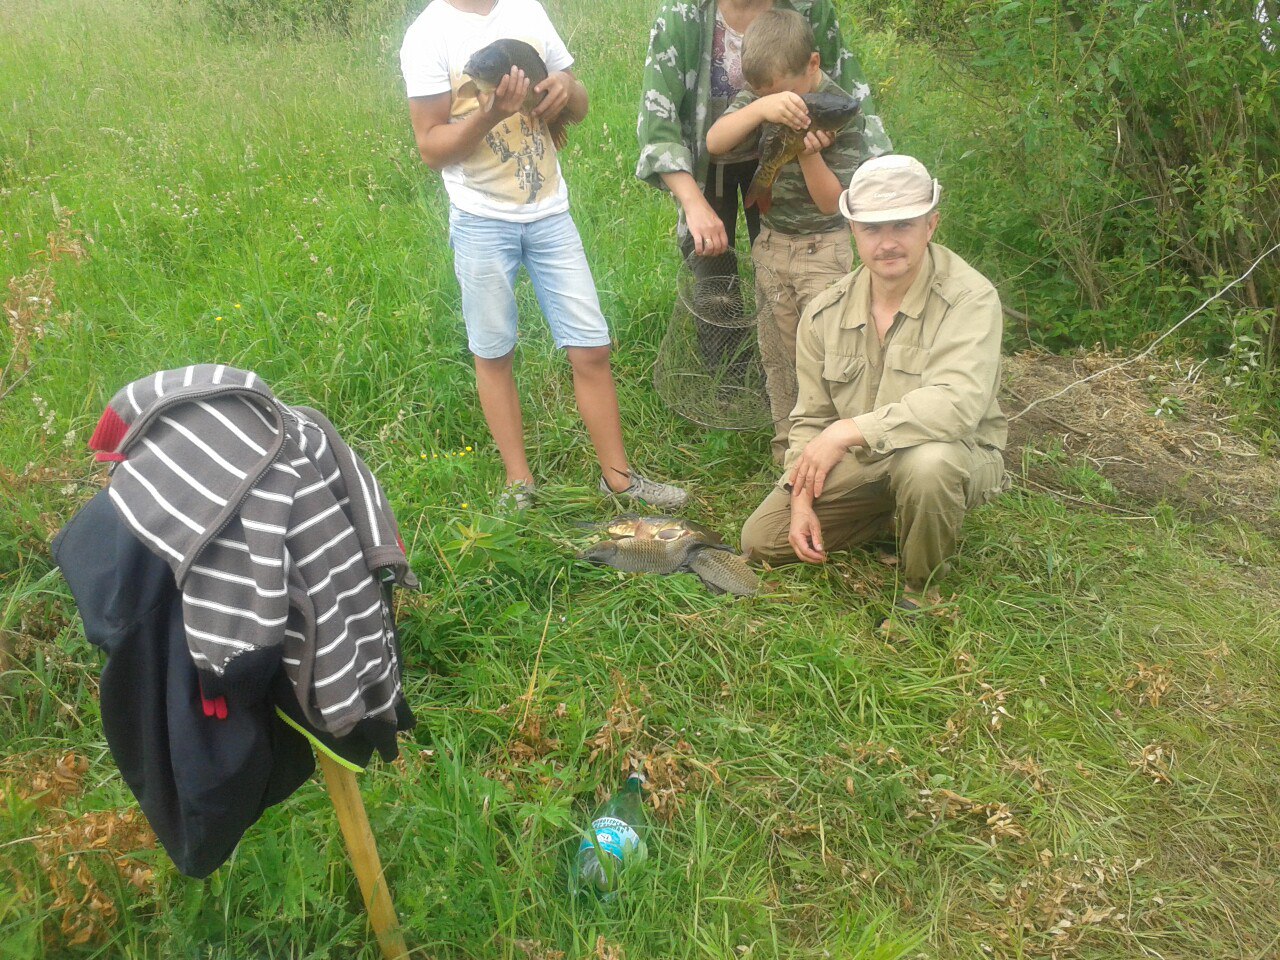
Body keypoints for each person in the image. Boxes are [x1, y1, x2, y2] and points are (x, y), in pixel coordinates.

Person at [401, 0, 687, 511]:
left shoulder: (527, 10)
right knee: (494, 353)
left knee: (591, 347)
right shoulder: (427, 34)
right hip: (480, 218)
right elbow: (431, 148)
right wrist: (491, 113)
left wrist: (567, 91)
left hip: (551, 212)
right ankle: (520, 483)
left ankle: (620, 480)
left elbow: (578, 102)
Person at [740, 155, 1009, 615]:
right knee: (762, 539)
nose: (887, 243)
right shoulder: (825, 312)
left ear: (931, 225)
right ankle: (897, 515)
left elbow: (956, 406)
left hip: (957, 451)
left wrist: (845, 432)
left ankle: (921, 592)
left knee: (928, 466)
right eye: (871, 228)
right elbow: (810, 419)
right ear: (852, 231)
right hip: (868, 460)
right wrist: (801, 497)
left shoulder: (969, 298)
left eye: (903, 225)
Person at [636, 0, 890, 384]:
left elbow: (851, 101)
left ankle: (814, 386)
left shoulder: (809, 9)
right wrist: (693, 202)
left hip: (799, 199)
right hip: (710, 163)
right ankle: (729, 381)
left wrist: (820, 159)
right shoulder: (682, 15)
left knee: (781, 270)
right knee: (714, 265)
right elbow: (671, 128)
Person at [705, 9, 871, 463]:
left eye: (784, 95)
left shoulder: (841, 110)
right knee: (778, 357)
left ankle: (836, 454)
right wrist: (761, 107)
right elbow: (715, 142)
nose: (780, 103)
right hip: (773, 245)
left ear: (813, 63)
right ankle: (789, 453)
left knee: (830, 356)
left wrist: (808, 155)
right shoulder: (762, 96)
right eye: (767, 96)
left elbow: (833, 204)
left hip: (824, 251)